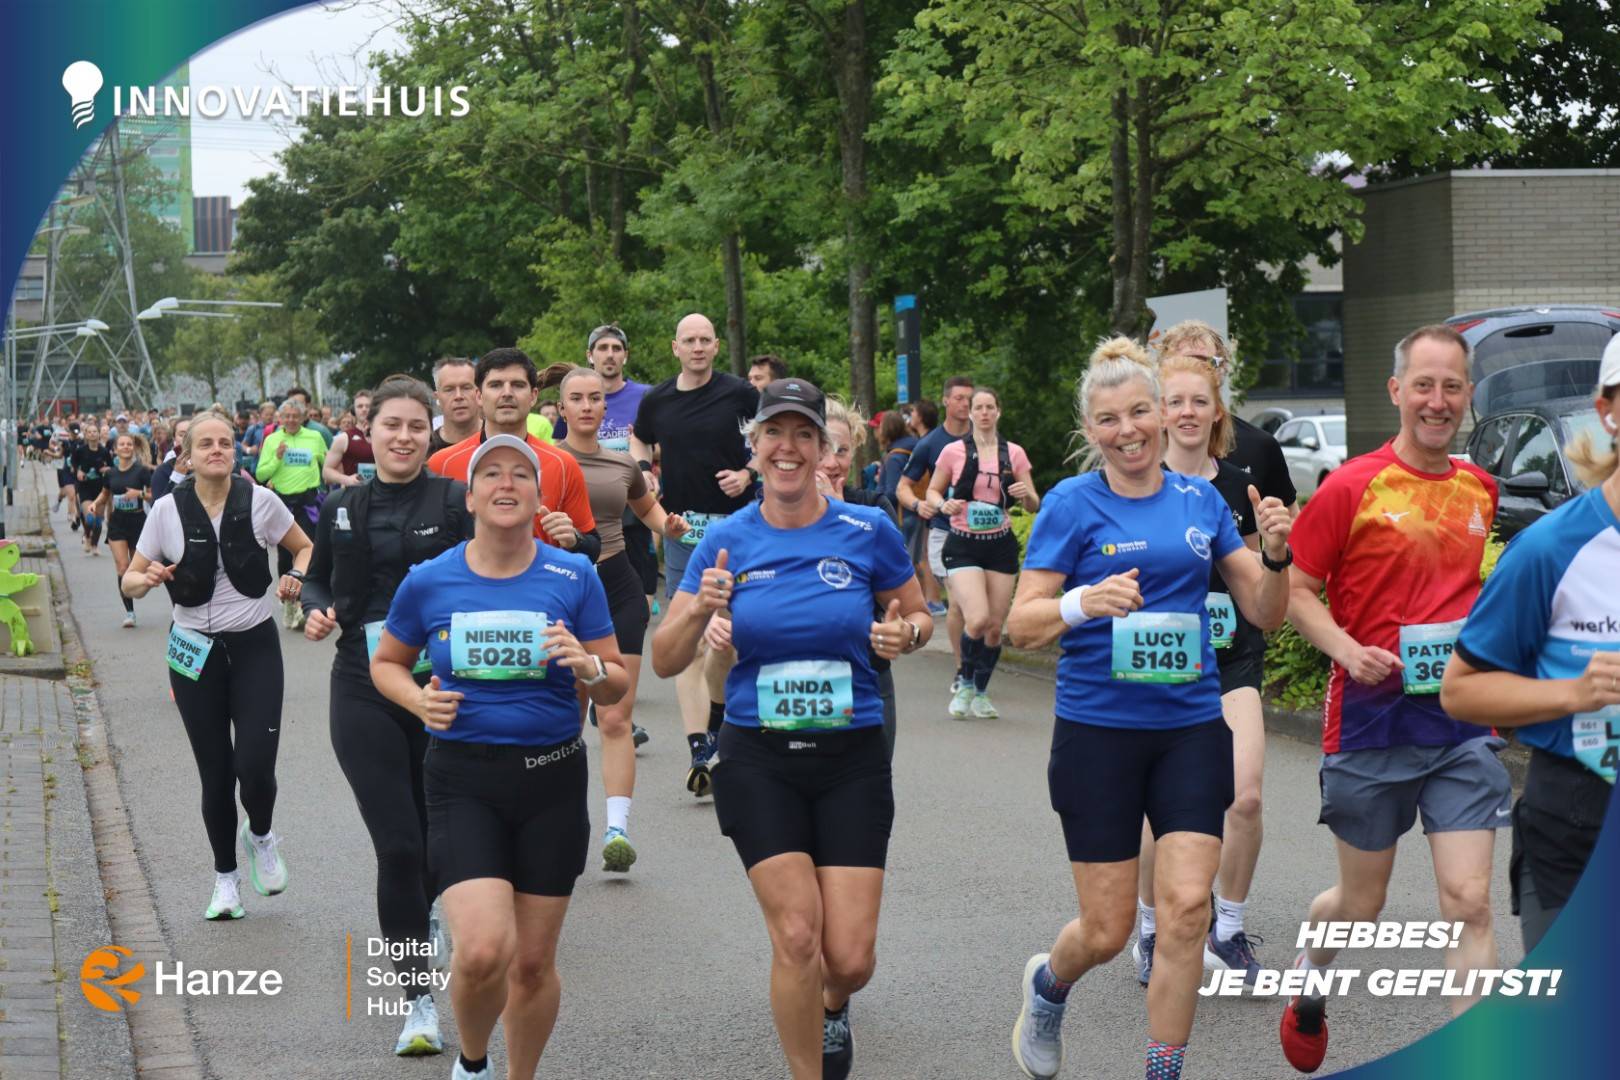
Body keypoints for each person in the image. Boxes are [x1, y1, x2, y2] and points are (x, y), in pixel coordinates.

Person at [1005, 338, 1294, 1080]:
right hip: (1098, 734)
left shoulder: (1201, 502)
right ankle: (1049, 986)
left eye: (1139, 412)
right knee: (1105, 931)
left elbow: (1264, 613)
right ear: (1090, 429)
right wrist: (1083, 601)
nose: (1127, 430)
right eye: (1109, 419)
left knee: (1188, 910)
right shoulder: (1072, 504)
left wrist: (1275, 555)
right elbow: (1021, 624)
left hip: (1190, 729)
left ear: (1162, 416)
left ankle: (1162, 1069)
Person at [651, 378, 930, 1080]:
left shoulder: (866, 531)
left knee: (850, 960)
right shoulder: (727, 539)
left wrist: (905, 634)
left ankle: (833, 1005)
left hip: (851, 757)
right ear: (754, 446)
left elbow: (919, 615)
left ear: (822, 447)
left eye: (803, 434)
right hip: (759, 759)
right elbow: (664, 659)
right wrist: (698, 610)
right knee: (798, 936)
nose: (788, 448)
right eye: (773, 433)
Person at [1276, 324, 1506, 1074]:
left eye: (1452, 387)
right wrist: (1347, 649)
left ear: (1468, 396)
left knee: (1469, 901)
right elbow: (1297, 590)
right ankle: (1310, 978)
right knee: (1360, 904)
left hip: (1460, 723)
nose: (1438, 402)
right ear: (1397, 391)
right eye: (1424, 385)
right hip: (1371, 722)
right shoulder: (1351, 486)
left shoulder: (1479, 488)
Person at [371, 434, 628, 1080]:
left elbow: (616, 682)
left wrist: (589, 666)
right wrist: (417, 701)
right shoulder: (430, 580)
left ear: (540, 497)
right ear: (470, 497)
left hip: (552, 780)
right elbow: (387, 662)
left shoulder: (574, 576)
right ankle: (474, 1061)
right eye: (491, 475)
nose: (506, 484)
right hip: (463, 780)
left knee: (533, 963)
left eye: (520, 474)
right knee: (485, 950)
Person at [301, 377, 472, 1057]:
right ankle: (417, 1001)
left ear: (430, 433)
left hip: (443, 688)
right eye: (391, 425)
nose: (403, 437)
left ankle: (427, 907)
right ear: (367, 432)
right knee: (398, 845)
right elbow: (318, 576)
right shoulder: (342, 505)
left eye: (415, 427)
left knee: (434, 843)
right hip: (363, 683)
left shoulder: (455, 500)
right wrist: (315, 606)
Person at [1441, 341, 1620, 954]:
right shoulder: (1551, 549)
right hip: (1577, 821)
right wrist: (1574, 692)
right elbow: (1461, 691)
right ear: (1608, 412)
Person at [120, 408, 312, 921]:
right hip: (193, 652)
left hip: (254, 646)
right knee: (216, 772)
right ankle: (225, 880)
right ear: (186, 455)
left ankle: (262, 835)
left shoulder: (261, 502)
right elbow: (130, 579)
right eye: (205, 444)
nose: (217, 451)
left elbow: (304, 547)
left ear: (236, 451)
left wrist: (295, 576)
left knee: (255, 766)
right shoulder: (166, 510)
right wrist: (147, 578)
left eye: (225, 442)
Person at [1133, 352, 1270, 988]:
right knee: (1157, 809)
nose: (1188, 413)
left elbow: (1259, 587)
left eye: (1200, 402)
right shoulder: (1138, 481)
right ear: (1160, 413)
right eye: (1176, 402)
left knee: (1246, 795)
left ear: (1217, 412)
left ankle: (1228, 929)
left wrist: (1276, 555)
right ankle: (1151, 926)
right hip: (1161, 661)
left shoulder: (1240, 484)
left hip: (1231, 658)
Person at [551, 364, 690, 871]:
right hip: (562, 590)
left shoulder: (622, 463)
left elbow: (648, 510)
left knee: (614, 715)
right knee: (565, 718)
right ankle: (560, 821)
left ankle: (617, 831)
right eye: (577, 398)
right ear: (561, 408)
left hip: (617, 587)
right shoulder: (544, 459)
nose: (588, 406)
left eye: (595, 398)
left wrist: (668, 526)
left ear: (605, 407)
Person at [630, 313, 760, 797]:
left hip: (739, 530)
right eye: (690, 340)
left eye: (706, 339)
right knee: (691, 638)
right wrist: (644, 468)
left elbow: (768, 436)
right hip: (683, 531)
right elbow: (640, 437)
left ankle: (726, 724)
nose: (698, 347)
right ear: (676, 348)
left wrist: (747, 474)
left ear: (716, 346)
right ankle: (699, 747)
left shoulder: (740, 393)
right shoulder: (658, 399)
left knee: (730, 638)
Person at [427, 348, 601, 564]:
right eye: (496, 385)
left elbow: (593, 547)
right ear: (479, 396)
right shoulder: (441, 464)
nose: (507, 393)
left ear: (533, 396)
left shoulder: (563, 464)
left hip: (541, 583)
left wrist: (574, 540)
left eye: (517, 385)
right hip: (463, 584)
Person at [926, 387, 1039, 719]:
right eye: (979, 407)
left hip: (1000, 545)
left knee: (993, 628)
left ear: (998, 412)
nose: (985, 413)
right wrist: (942, 504)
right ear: (971, 413)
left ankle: (981, 692)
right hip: (963, 544)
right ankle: (964, 682)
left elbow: (1034, 503)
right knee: (976, 619)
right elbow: (932, 491)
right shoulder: (953, 451)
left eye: (990, 407)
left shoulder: (1014, 453)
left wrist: (1025, 494)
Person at [1156, 321, 1297, 511]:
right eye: (1184, 363)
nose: (1196, 372)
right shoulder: (1143, 448)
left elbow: (1292, 520)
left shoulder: (1260, 446)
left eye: (1207, 364)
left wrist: (1278, 530)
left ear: (1222, 370)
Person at [898, 378, 974, 674]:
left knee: (987, 617)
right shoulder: (930, 443)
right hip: (945, 532)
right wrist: (919, 505)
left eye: (969, 398)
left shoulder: (986, 438)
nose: (965, 404)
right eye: (959, 398)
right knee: (959, 600)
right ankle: (962, 669)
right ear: (945, 401)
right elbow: (903, 487)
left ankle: (975, 665)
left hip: (983, 534)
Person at [256, 398, 328, 630]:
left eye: (295, 416)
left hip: (308, 502)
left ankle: (306, 601)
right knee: (286, 556)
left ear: (303, 417)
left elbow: (327, 465)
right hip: (283, 503)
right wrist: (277, 457)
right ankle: (288, 600)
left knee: (309, 550)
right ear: (280, 418)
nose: (291, 420)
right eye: (287, 416)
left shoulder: (315, 437)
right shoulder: (272, 440)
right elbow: (260, 474)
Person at [104, 433, 154, 629]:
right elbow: (104, 494)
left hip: (137, 522)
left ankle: (137, 588)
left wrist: (139, 493)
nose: (125, 447)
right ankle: (130, 612)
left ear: (133, 448)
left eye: (129, 444)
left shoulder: (141, 471)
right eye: (122, 444)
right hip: (117, 523)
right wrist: (96, 505)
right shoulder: (110, 473)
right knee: (123, 567)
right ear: (115, 449)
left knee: (137, 568)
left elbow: (153, 495)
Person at [73, 421, 114, 556]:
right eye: (89, 432)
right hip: (85, 487)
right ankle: (87, 537)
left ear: (98, 434)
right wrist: (78, 472)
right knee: (90, 517)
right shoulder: (80, 451)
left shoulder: (104, 451)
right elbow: (73, 464)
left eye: (95, 431)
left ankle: (95, 545)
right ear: (86, 435)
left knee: (98, 521)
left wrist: (106, 469)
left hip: (100, 488)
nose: (92, 434)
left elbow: (112, 467)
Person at [324, 389, 377, 486]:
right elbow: (326, 472)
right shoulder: (344, 438)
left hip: (382, 492)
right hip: (355, 492)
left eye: (368, 406)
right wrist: (346, 479)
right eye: (360, 406)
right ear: (353, 410)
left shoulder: (384, 436)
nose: (364, 409)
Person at [431, 357, 481, 454]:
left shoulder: (497, 441)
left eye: (466, 388)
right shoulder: (425, 449)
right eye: (449, 389)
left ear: (479, 393)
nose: (458, 396)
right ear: (437, 398)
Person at [151, 419, 191, 501]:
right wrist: (177, 476)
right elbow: (158, 506)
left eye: (191, 434)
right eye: (182, 435)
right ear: (174, 438)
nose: (187, 439)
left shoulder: (209, 465)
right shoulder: (163, 470)